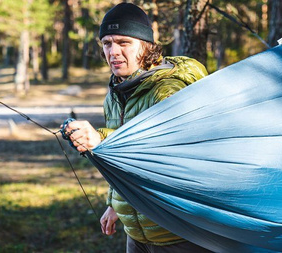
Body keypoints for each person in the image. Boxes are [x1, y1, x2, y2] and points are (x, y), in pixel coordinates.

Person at [63, 3, 211, 253]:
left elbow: (168, 154)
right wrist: (114, 203)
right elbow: (119, 166)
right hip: (137, 236)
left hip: (177, 233)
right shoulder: (113, 95)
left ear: (146, 45)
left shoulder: (167, 90)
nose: (114, 52)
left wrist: (101, 140)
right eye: (107, 43)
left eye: (124, 43)